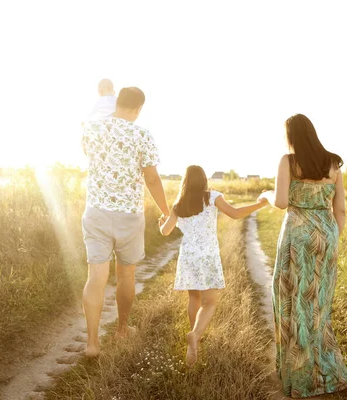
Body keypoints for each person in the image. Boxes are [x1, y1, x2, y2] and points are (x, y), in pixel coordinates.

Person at [261, 114, 347, 397]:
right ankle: (326, 375)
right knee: (319, 308)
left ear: (291, 136)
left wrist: (266, 194)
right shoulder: (333, 163)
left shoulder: (288, 161)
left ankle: (298, 376)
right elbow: (341, 210)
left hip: (297, 237)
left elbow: (281, 202)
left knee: (291, 301)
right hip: (326, 236)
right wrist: (332, 239)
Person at [81, 87, 171, 358]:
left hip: (96, 212)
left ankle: (92, 343)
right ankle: (121, 328)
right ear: (138, 109)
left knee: (96, 276)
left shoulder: (91, 129)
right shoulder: (142, 135)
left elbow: (88, 152)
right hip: (129, 215)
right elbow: (152, 180)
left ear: (117, 103)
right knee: (126, 274)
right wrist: (166, 211)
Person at [159, 165, 269, 366]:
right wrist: (260, 204)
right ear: (203, 180)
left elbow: (166, 231)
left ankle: (195, 338)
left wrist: (161, 224)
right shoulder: (211, 197)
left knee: (194, 297)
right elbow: (235, 214)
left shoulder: (178, 204)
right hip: (208, 256)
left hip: (189, 256)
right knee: (209, 302)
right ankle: (195, 335)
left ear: (185, 181)